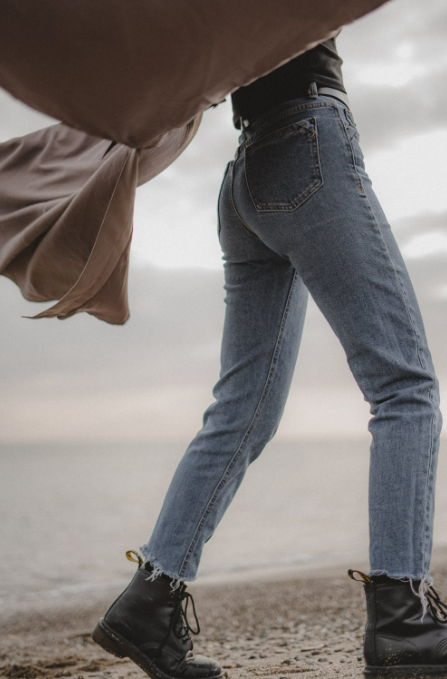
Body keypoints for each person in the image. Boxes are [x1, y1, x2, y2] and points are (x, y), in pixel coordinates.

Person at [91, 32, 446, 679]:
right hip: (308, 142)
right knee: (405, 387)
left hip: (247, 171)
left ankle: (150, 597)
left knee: (241, 413)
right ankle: (402, 617)